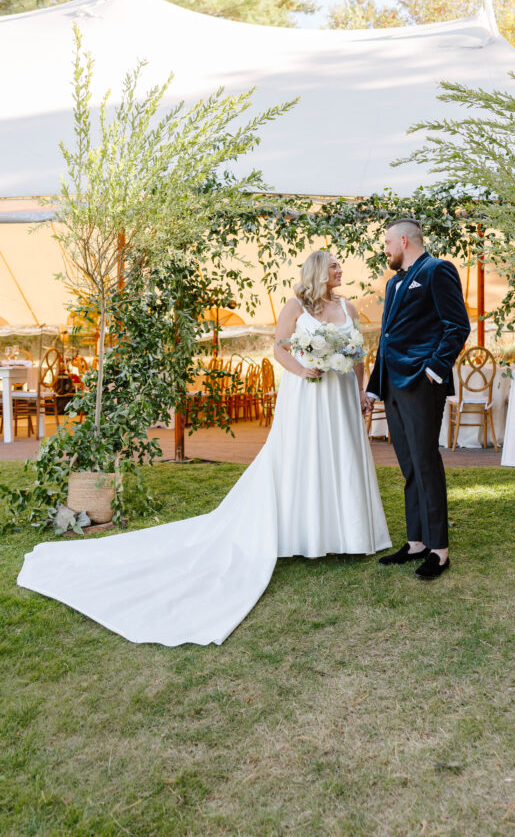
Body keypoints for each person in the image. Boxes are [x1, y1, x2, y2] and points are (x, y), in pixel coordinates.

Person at [17, 251, 390, 646]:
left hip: (340, 395)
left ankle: (346, 534)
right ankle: (306, 533)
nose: (339, 270)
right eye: (333, 265)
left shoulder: (347, 306)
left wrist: (362, 390)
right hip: (308, 394)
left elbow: (356, 354)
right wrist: (303, 369)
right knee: (303, 461)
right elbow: (281, 350)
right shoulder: (295, 306)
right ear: (317, 271)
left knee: (342, 461)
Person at [365, 218, 470, 580]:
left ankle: (439, 551)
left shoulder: (438, 270)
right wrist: (375, 387)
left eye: (387, 243)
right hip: (394, 386)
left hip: (423, 383)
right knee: (409, 466)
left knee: (426, 462)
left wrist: (434, 370)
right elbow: (388, 339)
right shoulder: (394, 283)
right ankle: (416, 543)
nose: (385, 249)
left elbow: (457, 325)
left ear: (404, 240)